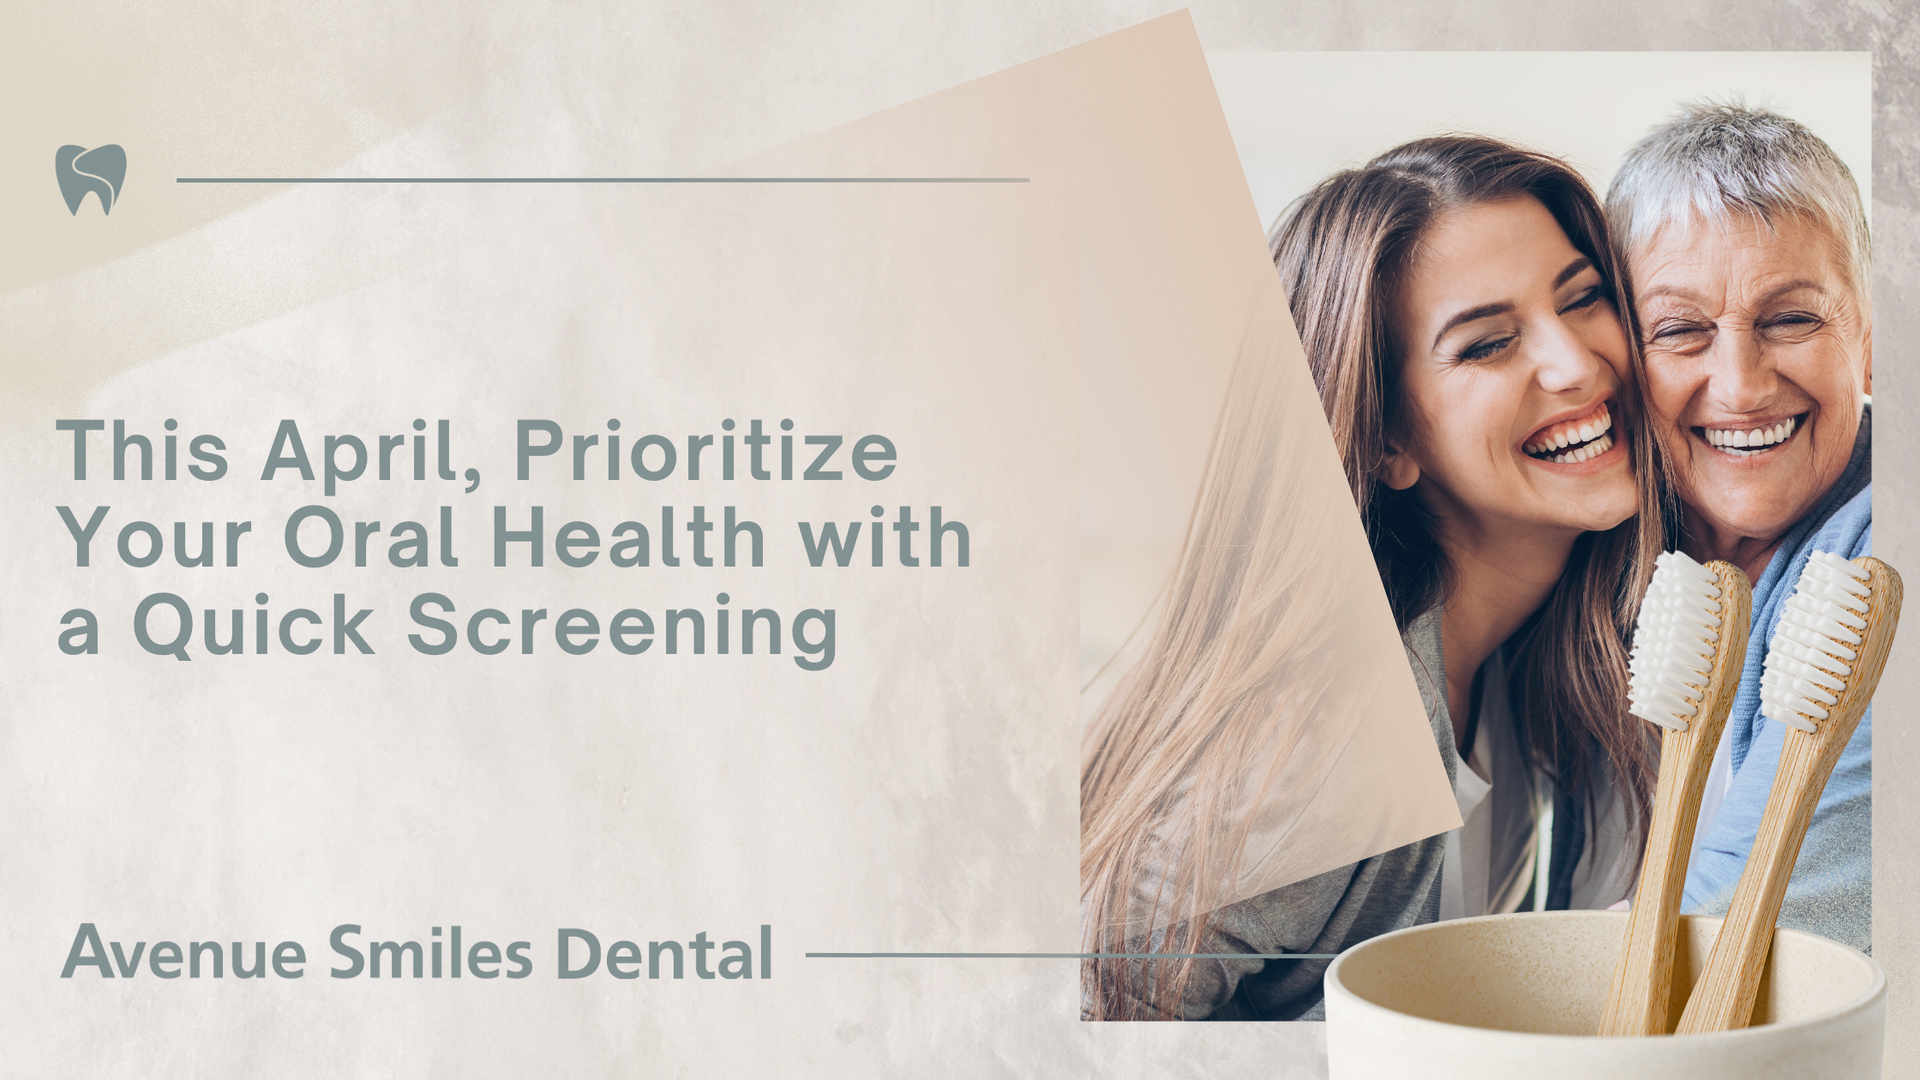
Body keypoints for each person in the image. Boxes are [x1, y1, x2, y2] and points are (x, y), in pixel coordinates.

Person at [1080, 136, 1663, 1021]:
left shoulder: (1559, 679)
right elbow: (1081, 1021)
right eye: (1486, 345)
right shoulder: (1325, 734)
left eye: (1583, 299)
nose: (1577, 363)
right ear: (1388, 440)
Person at [1605, 102, 1874, 952]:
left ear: (1869, 335)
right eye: (1681, 331)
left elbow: (1734, 918)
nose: (1741, 385)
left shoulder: (1891, 552)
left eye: (1791, 318)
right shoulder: (1605, 550)